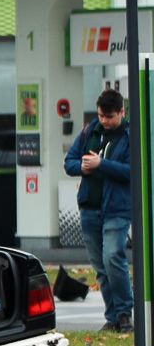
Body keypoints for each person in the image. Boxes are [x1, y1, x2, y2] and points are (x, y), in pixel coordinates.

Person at [64, 89, 133, 333]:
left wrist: (101, 164)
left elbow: (132, 171)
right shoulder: (90, 130)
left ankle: (125, 314)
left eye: (109, 116)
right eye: (101, 115)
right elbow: (69, 162)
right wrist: (84, 167)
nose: (104, 121)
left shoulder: (129, 134)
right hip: (90, 208)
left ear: (122, 112)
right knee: (101, 267)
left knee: (113, 257)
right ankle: (113, 316)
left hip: (117, 208)